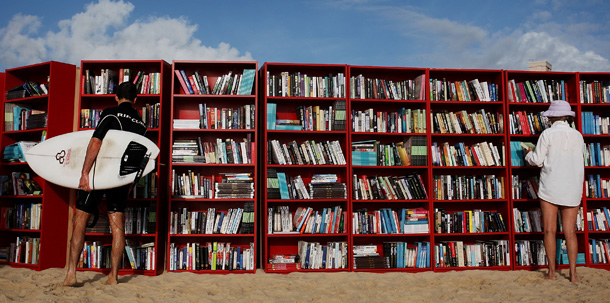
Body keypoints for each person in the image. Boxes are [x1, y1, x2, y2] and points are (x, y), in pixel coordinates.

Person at [63, 82, 147, 286]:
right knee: (117, 226)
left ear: (116, 97)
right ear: (135, 100)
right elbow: (138, 157)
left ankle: (72, 274)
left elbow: (96, 142)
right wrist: (127, 183)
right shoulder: (141, 124)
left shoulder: (110, 113)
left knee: (80, 219)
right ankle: (113, 277)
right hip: (119, 179)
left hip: (98, 176)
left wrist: (84, 173)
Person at [524, 100, 584, 283]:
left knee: (550, 231)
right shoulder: (577, 135)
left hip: (551, 186)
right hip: (572, 186)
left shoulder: (547, 134)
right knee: (570, 232)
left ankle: (551, 273)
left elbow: (537, 160)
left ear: (550, 117)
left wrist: (528, 153)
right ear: (567, 116)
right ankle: (573, 275)